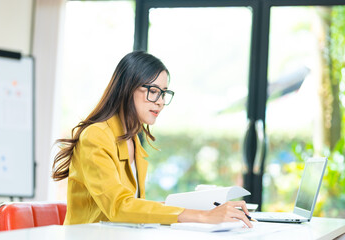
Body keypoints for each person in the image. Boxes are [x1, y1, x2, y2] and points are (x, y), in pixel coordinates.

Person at [52, 51, 252, 227]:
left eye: (164, 93)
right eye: (153, 91)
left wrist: (209, 209)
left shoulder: (133, 140)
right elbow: (119, 206)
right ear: (127, 88)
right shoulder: (96, 135)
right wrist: (203, 216)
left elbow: (136, 207)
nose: (161, 102)